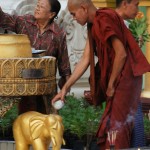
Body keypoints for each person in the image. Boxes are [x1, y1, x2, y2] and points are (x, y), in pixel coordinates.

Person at [51, 0, 150, 149]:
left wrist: (110, 84)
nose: (73, 18)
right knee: (113, 125)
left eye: (73, 13)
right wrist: (65, 88)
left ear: (83, 8)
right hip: (119, 79)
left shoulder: (104, 18)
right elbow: (85, 60)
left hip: (124, 80)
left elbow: (121, 54)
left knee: (118, 127)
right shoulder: (94, 24)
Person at [0, 0, 71, 114]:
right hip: (26, 84)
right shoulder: (25, 22)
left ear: (51, 14)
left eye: (41, 7)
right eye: (37, 5)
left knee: (48, 123)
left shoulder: (58, 34)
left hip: (46, 86)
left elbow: (65, 67)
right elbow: (3, 19)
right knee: (27, 121)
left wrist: (63, 91)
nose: (37, 8)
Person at [115, 0, 146, 148]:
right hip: (118, 84)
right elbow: (119, 55)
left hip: (130, 84)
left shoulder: (127, 26)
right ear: (125, 3)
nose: (137, 8)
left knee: (136, 125)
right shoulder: (110, 24)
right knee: (119, 129)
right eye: (136, 4)